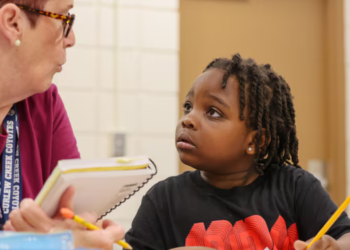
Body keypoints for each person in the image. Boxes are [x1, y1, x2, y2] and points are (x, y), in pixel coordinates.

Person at [125, 54, 350, 250]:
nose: (188, 119)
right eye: (188, 106)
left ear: (256, 141)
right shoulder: (163, 199)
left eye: (213, 112)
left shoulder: (295, 188)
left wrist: (336, 246)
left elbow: (345, 236)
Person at [0, 0, 124, 248]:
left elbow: (78, 221)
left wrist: (86, 236)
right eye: (64, 18)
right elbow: (67, 240)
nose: (71, 39)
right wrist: (52, 244)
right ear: (13, 23)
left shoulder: (44, 102)